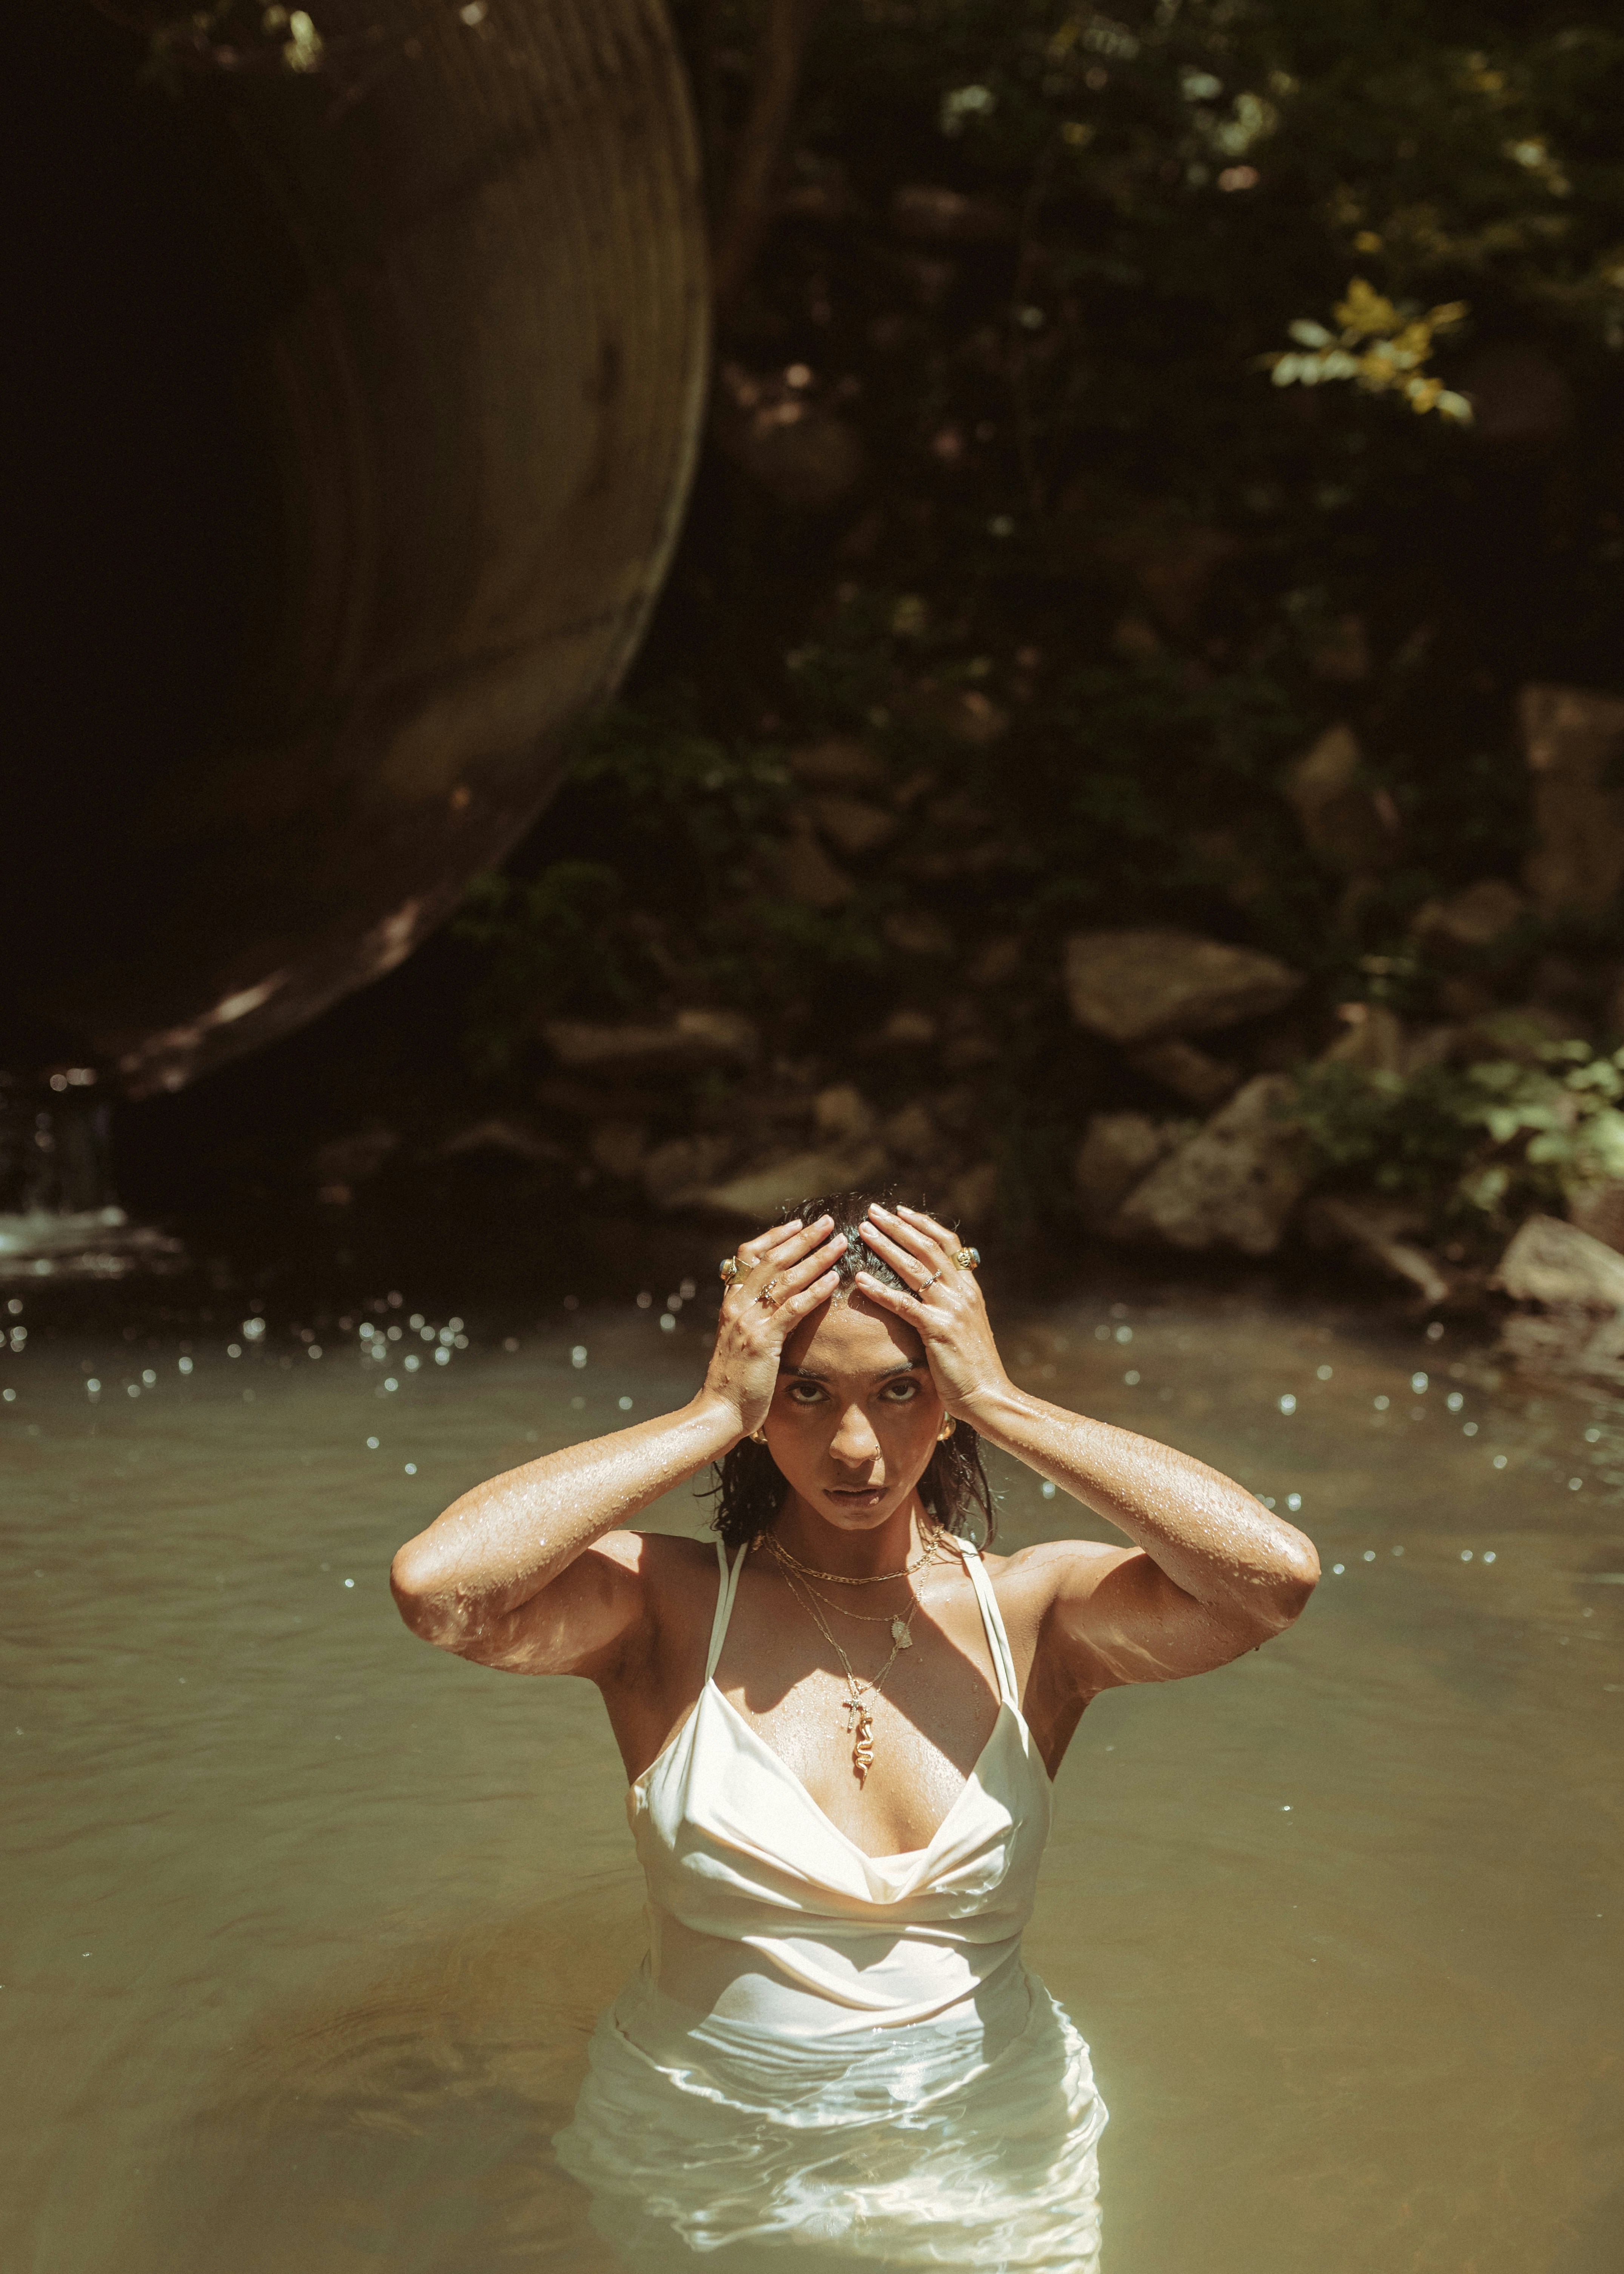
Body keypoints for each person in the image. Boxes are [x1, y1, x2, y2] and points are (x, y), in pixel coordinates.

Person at [390, 1195, 1318, 2271]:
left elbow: (1271, 1582)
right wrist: (704, 1416)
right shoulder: (666, 1609)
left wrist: (1005, 1400)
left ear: (947, 1398)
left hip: (994, 2150)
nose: (854, 1445)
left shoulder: (1035, 1616)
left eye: (901, 1390)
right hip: (700, 2152)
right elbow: (439, 1590)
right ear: (758, 1396)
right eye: (805, 1392)